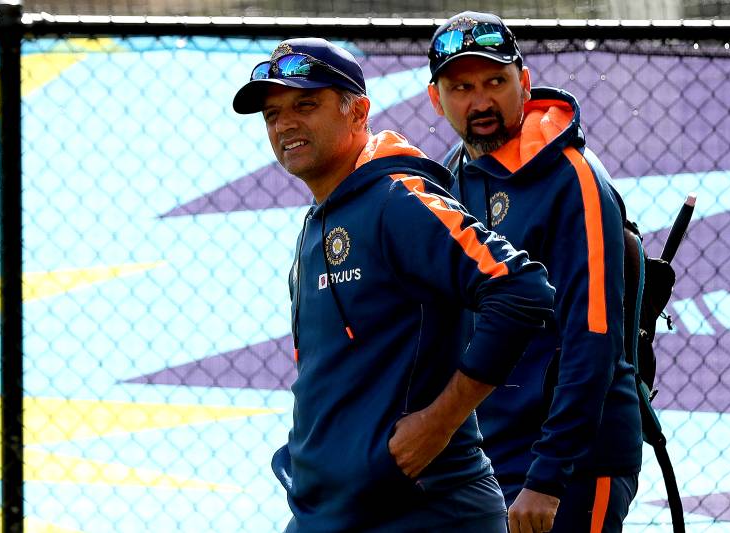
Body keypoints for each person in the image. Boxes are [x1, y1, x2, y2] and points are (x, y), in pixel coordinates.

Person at [233, 37, 555, 532]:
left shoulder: (398, 198)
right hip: (329, 512)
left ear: (357, 111)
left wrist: (439, 422)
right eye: (272, 114)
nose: (285, 124)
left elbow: (521, 288)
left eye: (305, 104)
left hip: (426, 513)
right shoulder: (318, 222)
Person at [426, 12, 643, 533]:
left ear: (523, 83)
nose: (480, 102)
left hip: (571, 467)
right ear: (437, 99)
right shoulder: (445, 181)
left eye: (495, 82)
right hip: (483, 464)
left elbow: (592, 338)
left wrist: (548, 476)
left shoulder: (574, 179)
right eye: (462, 87)